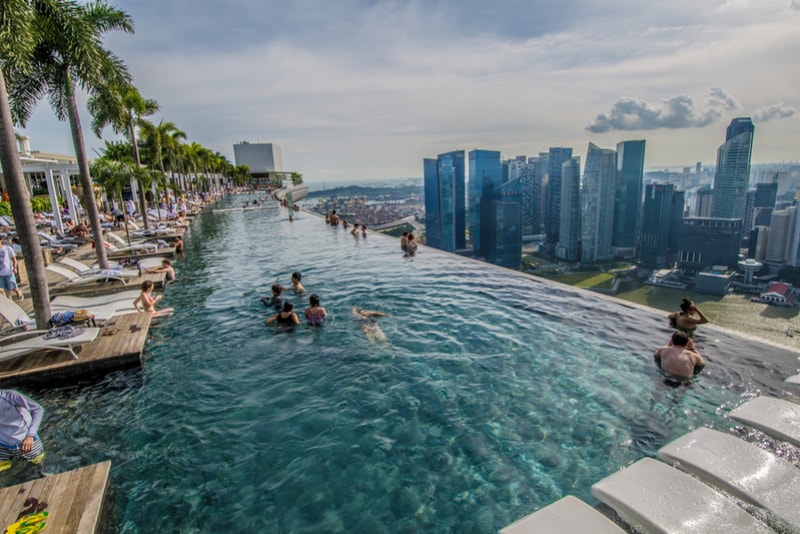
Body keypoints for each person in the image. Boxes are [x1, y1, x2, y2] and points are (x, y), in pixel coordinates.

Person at [0, 389, 45, 472]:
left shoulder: (11, 396)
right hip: (2, 446)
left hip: (27, 443)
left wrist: (30, 436)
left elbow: (38, 409)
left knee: (40, 470)